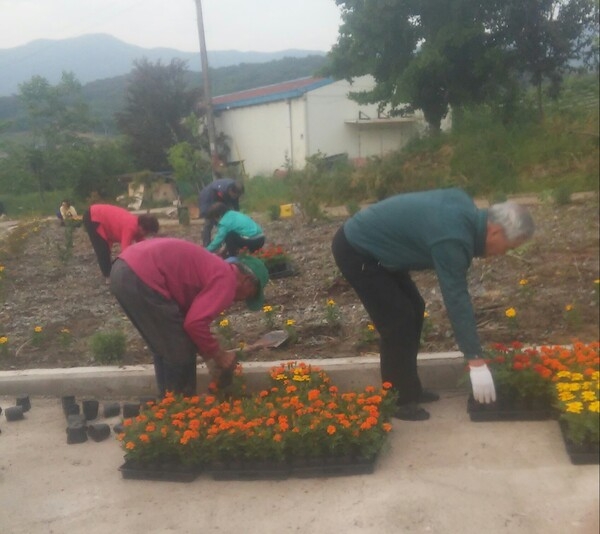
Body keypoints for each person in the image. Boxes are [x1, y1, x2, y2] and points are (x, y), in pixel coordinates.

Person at [331, 188, 535, 421]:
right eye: (508, 248)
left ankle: (409, 387)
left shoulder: (464, 210)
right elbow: (456, 298)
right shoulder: (453, 237)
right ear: (495, 232)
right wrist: (475, 360)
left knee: (414, 308)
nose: (503, 254)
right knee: (398, 320)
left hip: (379, 249)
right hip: (357, 249)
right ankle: (399, 400)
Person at [109, 237, 269, 397]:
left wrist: (207, 353)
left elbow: (187, 319)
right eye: (250, 296)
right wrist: (219, 355)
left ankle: (168, 405)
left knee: (165, 346)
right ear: (247, 281)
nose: (242, 301)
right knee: (179, 349)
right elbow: (194, 324)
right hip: (140, 274)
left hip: (123, 268)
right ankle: (181, 409)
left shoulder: (214, 268)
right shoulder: (227, 280)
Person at [83, 204, 159, 280]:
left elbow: (143, 245)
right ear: (142, 228)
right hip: (94, 216)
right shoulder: (130, 227)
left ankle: (111, 272)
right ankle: (108, 276)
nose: (147, 235)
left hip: (102, 218)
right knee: (102, 250)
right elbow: (125, 251)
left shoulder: (138, 227)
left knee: (106, 249)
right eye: (147, 233)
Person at [198, 178, 244, 246]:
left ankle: (228, 243)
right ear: (231, 191)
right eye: (234, 196)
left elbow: (235, 206)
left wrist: (238, 217)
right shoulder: (219, 190)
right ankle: (207, 245)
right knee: (209, 223)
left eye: (237, 196)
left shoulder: (235, 189)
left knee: (226, 222)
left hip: (220, 200)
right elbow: (215, 208)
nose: (235, 197)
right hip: (208, 200)